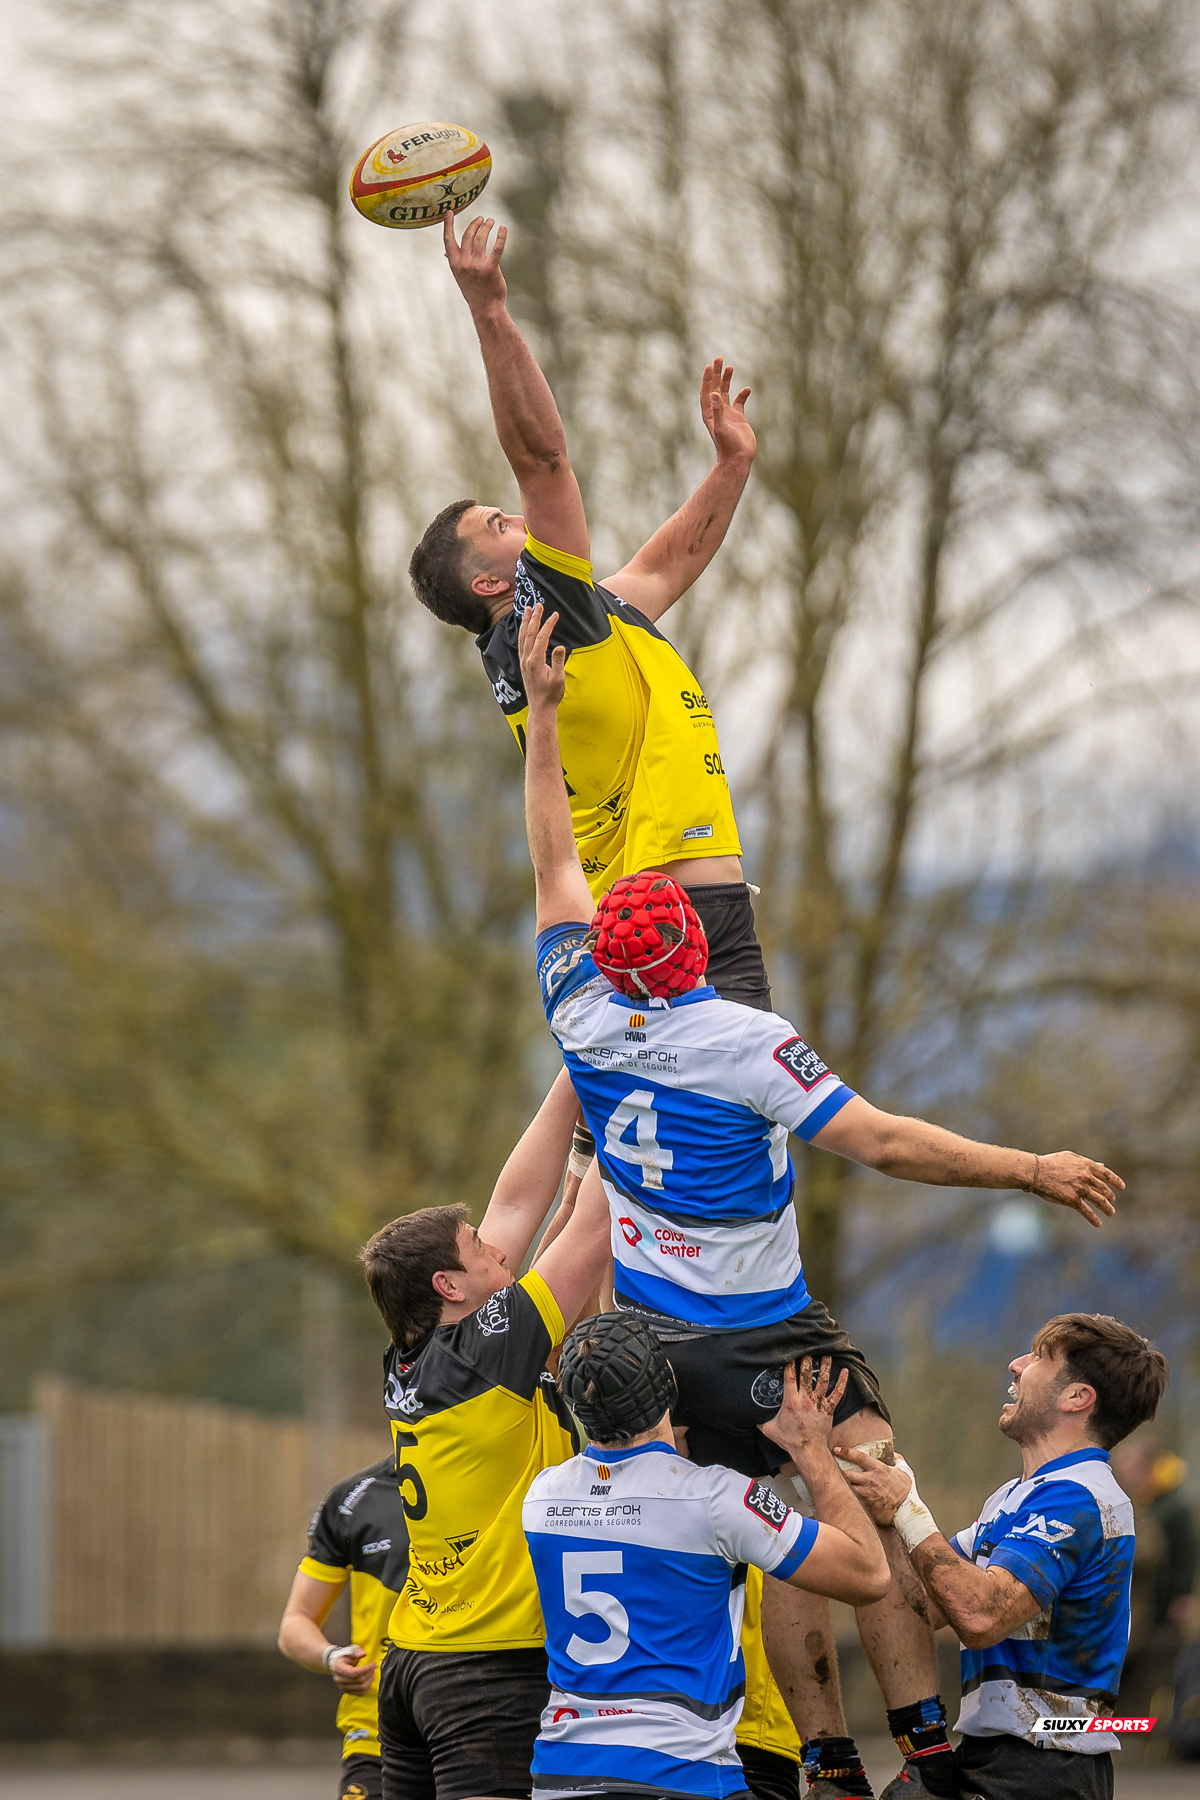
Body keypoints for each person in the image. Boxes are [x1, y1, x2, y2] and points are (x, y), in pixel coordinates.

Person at [516, 598, 1127, 1799]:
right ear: (694, 952)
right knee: (863, 1499)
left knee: (764, 1524)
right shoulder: (745, 1041)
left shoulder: (577, 1009)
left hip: (656, 1337)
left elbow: (554, 862)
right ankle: (926, 1745)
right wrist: (1028, 1168)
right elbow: (889, 1144)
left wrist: (542, 718)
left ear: (609, 959)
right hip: (768, 1333)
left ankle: (826, 1757)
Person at [408, 211, 772, 1012]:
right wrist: (489, 310)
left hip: (646, 928)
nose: (520, 517)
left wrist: (732, 465)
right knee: (757, 1096)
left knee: (636, 1093)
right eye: (499, 526)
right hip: (682, 925)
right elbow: (543, 461)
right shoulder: (543, 615)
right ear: (490, 584)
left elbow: (665, 565)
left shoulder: (568, 629)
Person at [359, 1067, 612, 1800]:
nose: (498, 1250)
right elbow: (594, 1228)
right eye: (478, 1247)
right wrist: (635, 1076)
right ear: (448, 1285)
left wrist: (573, 1067)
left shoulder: (416, 1355)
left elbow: (513, 1202)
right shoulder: (486, 1353)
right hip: (486, 1669)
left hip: (414, 1658)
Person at [522, 1313, 889, 1800]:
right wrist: (810, 1449)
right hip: (680, 1776)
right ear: (669, 1387)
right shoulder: (715, 1499)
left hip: (561, 1777)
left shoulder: (542, 1499)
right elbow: (869, 1573)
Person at [842, 1313, 1170, 1800]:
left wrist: (907, 1508)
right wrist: (837, 1492)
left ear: (1077, 1397)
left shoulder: (1080, 1496)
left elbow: (980, 1615)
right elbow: (918, 1606)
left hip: (1047, 1765)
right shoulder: (1013, 1497)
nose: (1016, 1364)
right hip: (997, 1755)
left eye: (1039, 1357)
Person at [278, 1455, 408, 1800]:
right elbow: (295, 1622)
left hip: (472, 1725)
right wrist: (332, 1656)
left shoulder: (507, 1482)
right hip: (375, 1731)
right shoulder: (355, 1498)